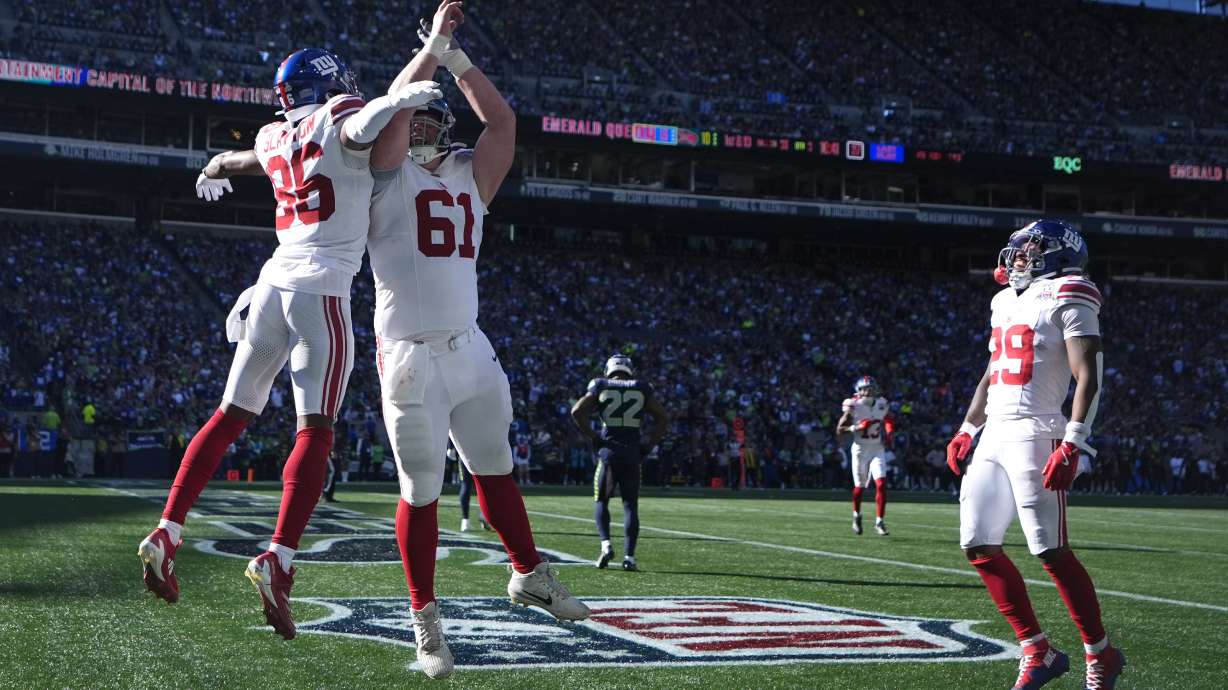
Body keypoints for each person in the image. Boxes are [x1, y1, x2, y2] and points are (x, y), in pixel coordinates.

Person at [136, 45, 443, 641]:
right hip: (320, 290)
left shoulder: (275, 134)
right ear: (327, 83)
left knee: (229, 415)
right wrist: (396, 100)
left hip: (270, 285)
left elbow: (240, 159)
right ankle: (279, 556)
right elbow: (357, 124)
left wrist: (211, 167)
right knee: (315, 430)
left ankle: (168, 528)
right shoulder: (343, 112)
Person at [365, 2, 589, 678]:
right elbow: (389, 114)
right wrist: (428, 53)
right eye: (418, 119)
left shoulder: (470, 175)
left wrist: (456, 58)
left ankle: (528, 573)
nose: (427, 128)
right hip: (409, 356)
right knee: (422, 490)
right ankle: (426, 622)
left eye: (434, 120)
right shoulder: (383, 175)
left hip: (470, 347)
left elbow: (503, 121)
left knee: (496, 469)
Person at [945, 220, 1125, 690]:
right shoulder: (1004, 299)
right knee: (977, 544)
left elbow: (1090, 373)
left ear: (1059, 252)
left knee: (1049, 549)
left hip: (1038, 429)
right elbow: (993, 369)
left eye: (1029, 248)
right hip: (995, 433)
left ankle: (1100, 653)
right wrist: (969, 426)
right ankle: (1037, 650)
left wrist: (1074, 439)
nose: (1018, 255)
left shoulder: (1072, 289)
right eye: (1017, 248)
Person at [570, 354, 669, 572]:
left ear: (608, 368)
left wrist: (594, 437)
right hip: (632, 453)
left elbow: (576, 411)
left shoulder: (600, 384)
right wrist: (649, 445)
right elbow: (663, 417)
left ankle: (606, 545)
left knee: (601, 501)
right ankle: (629, 557)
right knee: (630, 505)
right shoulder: (641, 387)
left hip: (609, 452)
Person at [836, 375, 894, 535]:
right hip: (860, 450)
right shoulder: (853, 404)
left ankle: (879, 521)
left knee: (881, 484)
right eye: (864, 388)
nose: (868, 391)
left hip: (877, 448)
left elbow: (888, 419)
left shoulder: (882, 403)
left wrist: (889, 432)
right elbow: (839, 430)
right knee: (860, 487)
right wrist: (856, 428)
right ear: (858, 390)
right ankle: (856, 515)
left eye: (870, 388)